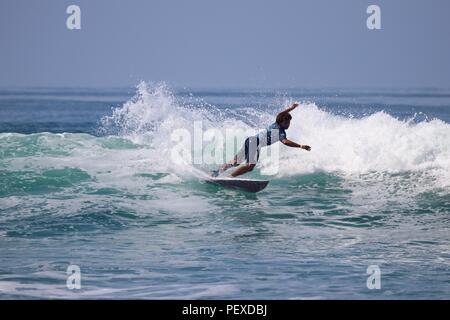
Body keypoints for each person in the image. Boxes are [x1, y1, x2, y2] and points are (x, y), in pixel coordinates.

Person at [212, 103, 311, 177]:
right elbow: (285, 141)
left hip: (250, 140)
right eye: (286, 123)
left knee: (236, 161)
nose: (288, 124)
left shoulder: (275, 124)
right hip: (255, 143)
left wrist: (291, 108)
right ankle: (230, 178)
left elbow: (281, 114)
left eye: (289, 122)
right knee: (249, 166)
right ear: (281, 122)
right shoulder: (280, 130)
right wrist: (300, 146)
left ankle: (216, 172)